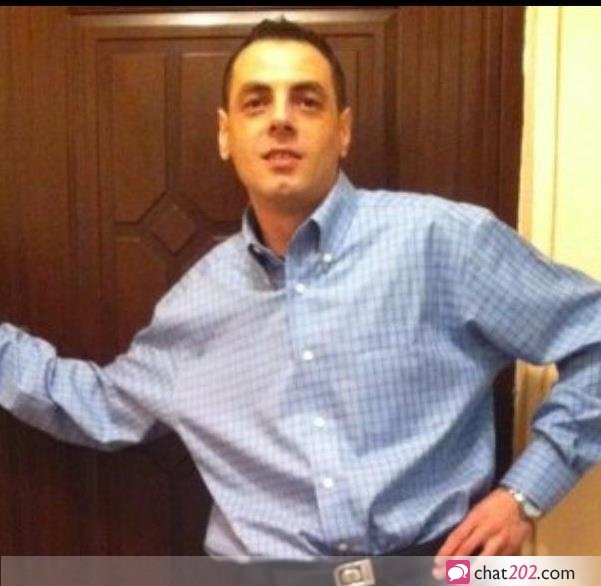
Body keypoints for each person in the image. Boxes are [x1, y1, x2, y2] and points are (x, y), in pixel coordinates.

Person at [1, 17, 601, 585]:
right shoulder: (195, 306)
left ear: (343, 131)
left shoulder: (443, 242)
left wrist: (526, 493)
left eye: (307, 101)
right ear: (225, 134)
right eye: (256, 102)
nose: (281, 120)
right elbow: (98, 407)